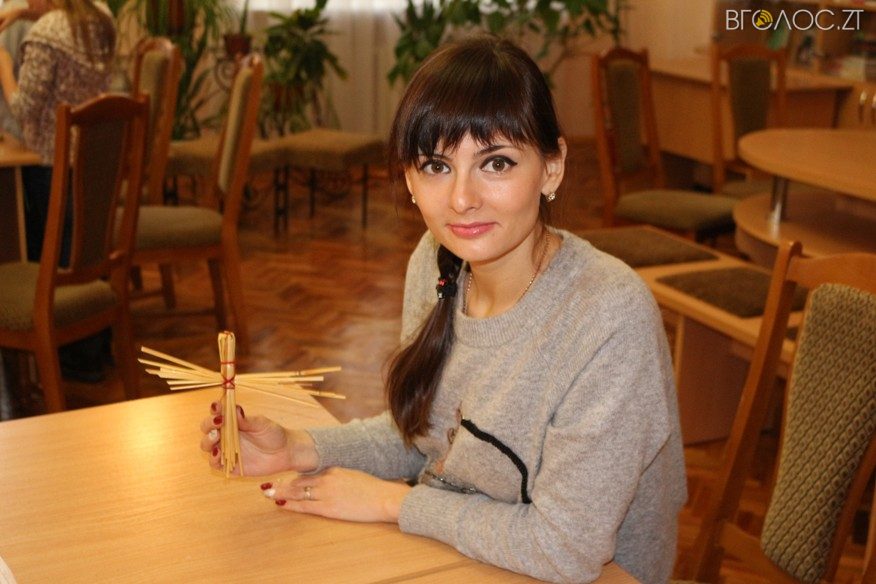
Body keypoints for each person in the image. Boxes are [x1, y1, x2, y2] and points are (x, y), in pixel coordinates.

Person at [201, 36, 686, 584]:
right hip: (471, 551)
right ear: (410, 179)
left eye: (496, 163)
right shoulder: (436, 263)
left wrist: (392, 503)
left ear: (551, 168)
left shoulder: (608, 316)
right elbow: (430, 440)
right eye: (436, 165)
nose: (461, 199)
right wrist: (297, 447)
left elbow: (566, 550)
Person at [0, 0, 115, 381]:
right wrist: (22, 13)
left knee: (48, 252)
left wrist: (4, 67)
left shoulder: (45, 34)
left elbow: (24, 109)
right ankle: (94, 346)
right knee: (84, 253)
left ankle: (61, 350)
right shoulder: (100, 19)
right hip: (89, 164)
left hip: (51, 164)